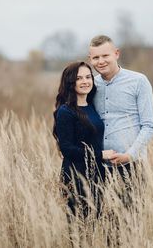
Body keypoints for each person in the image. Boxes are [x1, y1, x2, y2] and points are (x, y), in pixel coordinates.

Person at [88, 35, 153, 190]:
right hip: (99, 167)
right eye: (96, 57)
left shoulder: (139, 81)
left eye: (105, 55)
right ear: (90, 59)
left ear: (116, 54)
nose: (101, 61)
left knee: (131, 214)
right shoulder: (91, 85)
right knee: (99, 214)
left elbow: (149, 126)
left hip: (132, 165)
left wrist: (129, 155)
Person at [53, 61, 115, 219]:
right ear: (70, 82)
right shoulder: (65, 111)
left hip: (97, 175)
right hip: (76, 176)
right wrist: (101, 155)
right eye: (79, 78)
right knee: (80, 228)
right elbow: (67, 149)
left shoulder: (91, 106)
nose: (85, 81)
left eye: (88, 77)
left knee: (96, 225)